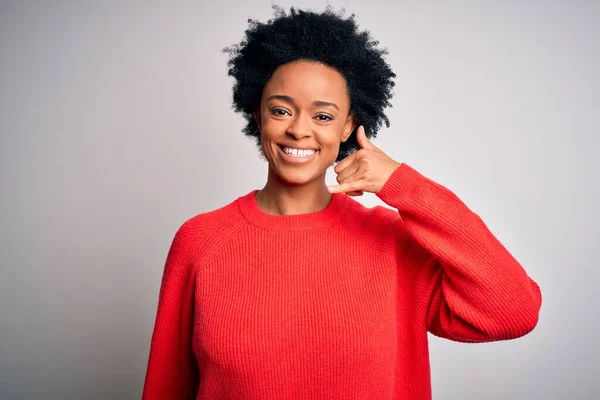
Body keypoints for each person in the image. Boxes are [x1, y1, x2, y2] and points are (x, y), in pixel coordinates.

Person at [142, 6, 542, 400]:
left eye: (323, 116)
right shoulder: (200, 241)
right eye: (281, 110)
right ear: (258, 115)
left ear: (349, 125)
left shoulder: (392, 243)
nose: (299, 130)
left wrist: (403, 184)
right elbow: (167, 386)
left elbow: (514, 311)